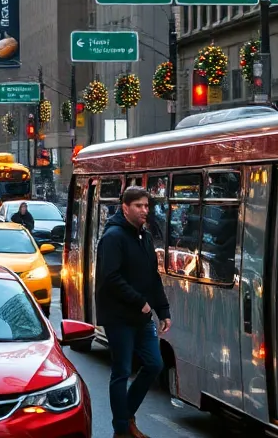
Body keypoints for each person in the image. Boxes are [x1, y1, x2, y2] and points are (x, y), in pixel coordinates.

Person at [95, 186, 171, 438]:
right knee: (122, 371)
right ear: (125, 207)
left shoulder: (144, 236)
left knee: (154, 364)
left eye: (147, 206)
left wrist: (163, 310)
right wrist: (140, 301)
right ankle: (121, 430)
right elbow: (111, 277)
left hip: (142, 316)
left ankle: (125, 416)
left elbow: (152, 276)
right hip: (119, 317)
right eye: (139, 206)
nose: (144, 211)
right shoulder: (113, 237)